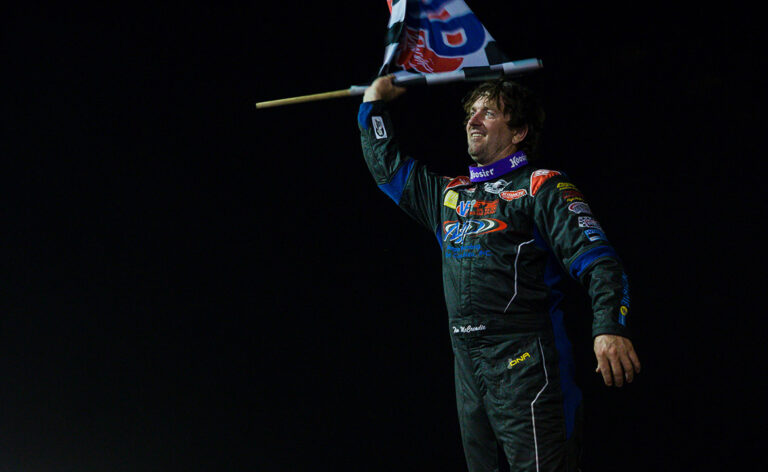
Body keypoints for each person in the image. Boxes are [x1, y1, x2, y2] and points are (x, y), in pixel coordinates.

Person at [357, 75, 641, 472]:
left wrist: (610, 326)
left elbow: (599, 260)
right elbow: (387, 168)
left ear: (519, 131)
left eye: (488, 113)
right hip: (467, 365)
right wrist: (373, 103)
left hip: (526, 359)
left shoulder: (541, 186)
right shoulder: (447, 196)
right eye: (471, 112)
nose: (473, 120)